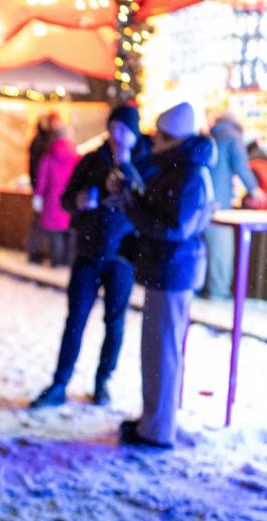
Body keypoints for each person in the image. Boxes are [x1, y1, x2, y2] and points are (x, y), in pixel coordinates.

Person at [30, 106, 148, 409]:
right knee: (76, 320)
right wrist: (79, 201)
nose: (118, 135)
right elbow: (67, 199)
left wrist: (127, 164)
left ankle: (103, 381)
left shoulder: (144, 161)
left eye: (125, 129)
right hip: (89, 250)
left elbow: (146, 201)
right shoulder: (92, 160)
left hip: (123, 255)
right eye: (115, 127)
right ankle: (60, 383)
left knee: (115, 322)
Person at [119, 102, 214, 448]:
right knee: (158, 350)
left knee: (163, 351)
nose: (154, 140)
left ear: (172, 137)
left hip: (174, 267)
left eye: (160, 134)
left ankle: (158, 428)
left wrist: (133, 209)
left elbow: (174, 227)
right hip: (168, 266)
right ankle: (153, 420)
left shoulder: (188, 173)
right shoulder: (181, 169)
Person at [203, 113, 266, 300]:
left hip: (206, 199)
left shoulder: (212, 135)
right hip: (220, 202)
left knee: (209, 245)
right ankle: (218, 291)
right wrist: (255, 190)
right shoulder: (233, 137)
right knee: (222, 247)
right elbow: (241, 165)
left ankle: (206, 287)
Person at [31, 122, 79, 267]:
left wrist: (38, 195)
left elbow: (42, 178)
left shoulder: (49, 155)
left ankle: (56, 261)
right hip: (70, 198)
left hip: (53, 198)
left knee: (56, 232)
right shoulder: (75, 155)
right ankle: (67, 261)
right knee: (69, 231)